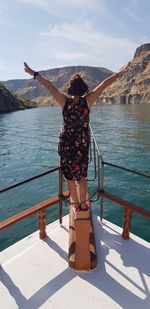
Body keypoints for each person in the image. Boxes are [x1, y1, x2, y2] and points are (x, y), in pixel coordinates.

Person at [24, 61, 130, 211]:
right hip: (81, 145)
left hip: (66, 144)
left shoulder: (64, 102)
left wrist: (33, 73)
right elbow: (105, 84)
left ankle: (75, 205)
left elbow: (49, 86)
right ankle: (82, 204)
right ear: (84, 89)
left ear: (70, 88)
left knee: (69, 177)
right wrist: (121, 72)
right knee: (82, 177)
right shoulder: (88, 101)